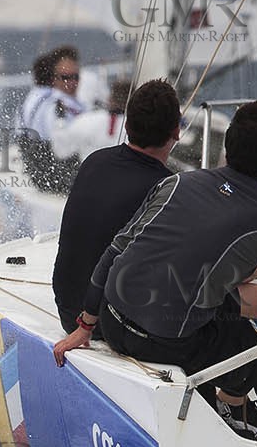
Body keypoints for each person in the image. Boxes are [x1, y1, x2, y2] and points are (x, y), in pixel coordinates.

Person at [53, 102, 257, 447]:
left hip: (111, 322)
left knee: (219, 308)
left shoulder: (176, 183)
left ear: (228, 146)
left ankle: (230, 411)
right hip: (161, 343)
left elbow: (114, 253)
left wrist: (85, 326)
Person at [51, 79, 181, 333]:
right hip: (109, 324)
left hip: (67, 310)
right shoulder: (168, 189)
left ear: (127, 125)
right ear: (176, 132)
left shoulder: (93, 161)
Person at [15, 45, 85, 191]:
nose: (72, 82)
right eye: (65, 77)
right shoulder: (57, 103)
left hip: (37, 171)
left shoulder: (33, 97)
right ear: (53, 77)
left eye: (76, 77)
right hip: (57, 178)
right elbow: (65, 145)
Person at [51, 77, 132, 163]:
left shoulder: (86, 121)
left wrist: (60, 119)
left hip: (90, 170)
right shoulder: (136, 128)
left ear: (110, 98)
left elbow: (60, 151)